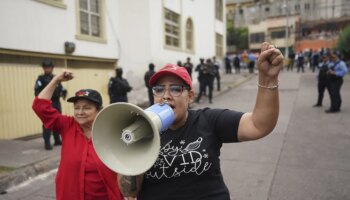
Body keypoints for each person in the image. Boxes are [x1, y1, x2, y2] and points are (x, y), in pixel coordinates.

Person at [117, 42, 283, 200]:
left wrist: (267, 79)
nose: (165, 95)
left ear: (190, 97)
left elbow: (258, 125)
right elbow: (129, 191)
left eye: (175, 89)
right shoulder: (141, 130)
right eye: (159, 89)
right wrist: (133, 148)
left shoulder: (208, 120)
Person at [32, 70, 125, 200]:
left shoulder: (111, 133)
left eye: (86, 107)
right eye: (77, 107)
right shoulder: (67, 125)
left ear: (98, 111)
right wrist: (56, 80)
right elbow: (39, 106)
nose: (80, 112)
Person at [34, 60, 66, 150]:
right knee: (47, 123)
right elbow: (37, 92)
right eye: (46, 67)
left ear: (52, 68)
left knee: (57, 121)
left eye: (49, 67)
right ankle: (47, 142)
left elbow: (61, 88)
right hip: (47, 103)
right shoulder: (40, 79)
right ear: (44, 68)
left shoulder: (56, 78)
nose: (48, 69)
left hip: (56, 102)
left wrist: (64, 92)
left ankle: (57, 140)